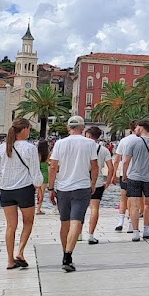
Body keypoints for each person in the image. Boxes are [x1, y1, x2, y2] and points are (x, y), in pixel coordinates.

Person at [0, 118, 43, 270]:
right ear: (23, 130)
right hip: (24, 189)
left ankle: (10, 260)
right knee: (28, 221)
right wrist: (40, 188)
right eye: (28, 128)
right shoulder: (30, 148)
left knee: (11, 226)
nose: (29, 131)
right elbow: (36, 174)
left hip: (6, 190)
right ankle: (20, 252)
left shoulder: (3, 147)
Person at [48, 116, 99, 273]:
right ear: (82, 127)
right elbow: (95, 166)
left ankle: (65, 253)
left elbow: (53, 167)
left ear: (68, 127)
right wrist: (93, 183)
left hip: (63, 187)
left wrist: (51, 188)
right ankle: (68, 255)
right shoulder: (90, 143)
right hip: (82, 186)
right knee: (77, 221)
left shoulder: (60, 144)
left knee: (65, 222)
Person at [117, 119, 149, 243]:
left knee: (134, 205)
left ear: (141, 128)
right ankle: (146, 230)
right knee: (148, 204)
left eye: (136, 128)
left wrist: (124, 174)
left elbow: (126, 161)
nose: (135, 130)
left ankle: (136, 232)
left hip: (134, 177)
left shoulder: (133, 142)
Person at [83, 126, 115, 244]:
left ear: (89, 136)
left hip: (82, 181)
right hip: (98, 182)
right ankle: (91, 235)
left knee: (79, 209)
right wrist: (108, 181)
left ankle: (78, 233)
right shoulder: (104, 150)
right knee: (94, 208)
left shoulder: (83, 148)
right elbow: (111, 167)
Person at [36, 138, 51, 215]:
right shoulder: (48, 153)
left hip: (38, 173)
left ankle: (37, 208)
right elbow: (49, 162)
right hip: (45, 173)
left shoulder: (37, 153)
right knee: (42, 192)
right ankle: (38, 209)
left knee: (38, 192)